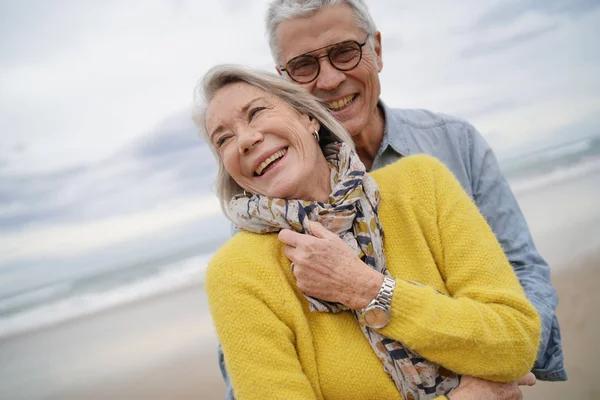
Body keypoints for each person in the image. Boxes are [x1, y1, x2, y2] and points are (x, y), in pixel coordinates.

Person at [193, 64, 541, 399]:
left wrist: (367, 289)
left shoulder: (423, 183)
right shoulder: (237, 272)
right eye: (223, 139)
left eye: (256, 112)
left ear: (308, 116)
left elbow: (516, 341)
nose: (245, 140)